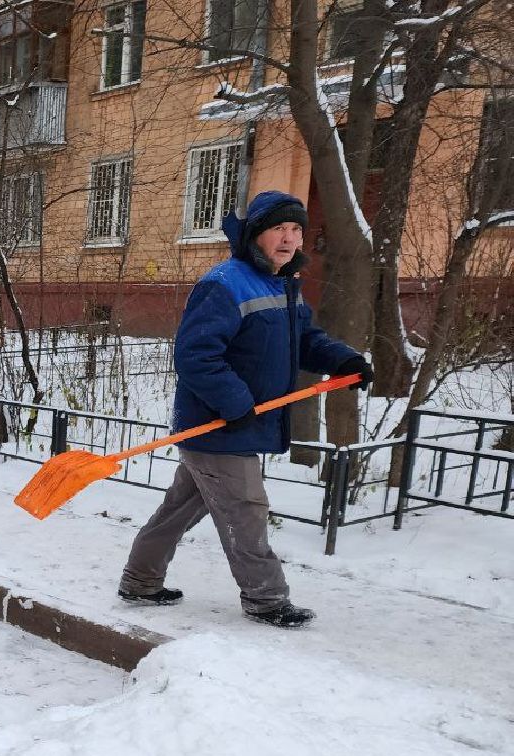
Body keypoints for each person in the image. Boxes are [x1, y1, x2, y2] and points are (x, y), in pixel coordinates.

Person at [117, 191, 373, 629]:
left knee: (179, 510)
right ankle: (267, 599)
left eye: (296, 230)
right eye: (279, 228)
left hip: (233, 424)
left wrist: (342, 359)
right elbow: (197, 355)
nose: (289, 238)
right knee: (247, 510)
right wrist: (235, 404)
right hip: (218, 425)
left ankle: (140, 581)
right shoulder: (225, 283)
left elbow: (303, 340)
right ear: (257, 234)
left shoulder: (282, 284)